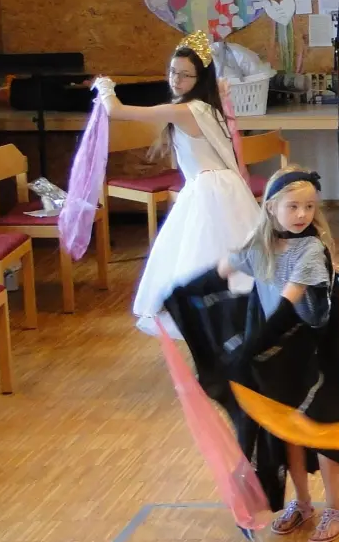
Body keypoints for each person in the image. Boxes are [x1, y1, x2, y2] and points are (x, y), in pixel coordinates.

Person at [217, 168, 339, 542]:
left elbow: (283, 311)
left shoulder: (309, 250)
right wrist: (192, 295)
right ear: (271, 209)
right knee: (288, 431)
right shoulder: (262, 245)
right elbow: (222, 270)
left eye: (309, 206)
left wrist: (246, 350)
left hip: (315, 356)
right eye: (293, 206)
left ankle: (336, 508)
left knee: (321, 430)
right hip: (282, 358)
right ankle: (303, 502)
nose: (302, 215)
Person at [94, 32, 260, 335]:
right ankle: (224, 306)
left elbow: (116, 111)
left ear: (200, 78)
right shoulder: (205, 106)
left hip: (208, 188)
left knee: (205, 249)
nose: (176, 80)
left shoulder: (185, 110)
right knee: (220, 246)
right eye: (173, 72)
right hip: (222, 185)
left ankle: (210, 307)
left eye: (185, 75)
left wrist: (104, 87)